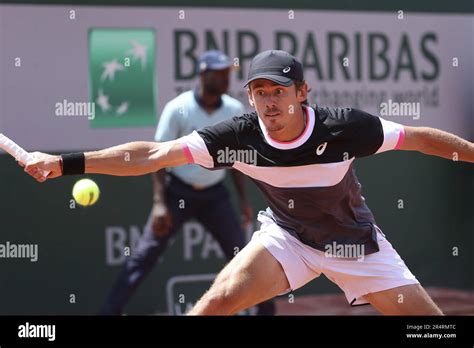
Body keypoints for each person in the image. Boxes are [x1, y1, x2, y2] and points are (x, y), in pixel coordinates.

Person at [23, 50, 473, 316]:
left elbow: (417, 138)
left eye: (279, 91)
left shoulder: (344, 129)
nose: (269, 102)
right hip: (287, 239)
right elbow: (153, 154)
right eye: (260, 92)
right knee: (216, 302)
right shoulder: (239, 136)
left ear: (302, 92)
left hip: (355, 245)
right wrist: (65, 164)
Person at [100, 50, 275, 315]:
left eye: (228, 73)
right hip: (176, 193)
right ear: (204, 74)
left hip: (216, 195)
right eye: (220, 73)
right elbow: (156, 158)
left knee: (245, 257)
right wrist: (159, 203)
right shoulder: (178, 108)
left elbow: (237, 161)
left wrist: (243, 202)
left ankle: (268, 313)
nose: (226, 78)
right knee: (143, 257)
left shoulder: (234, 109)